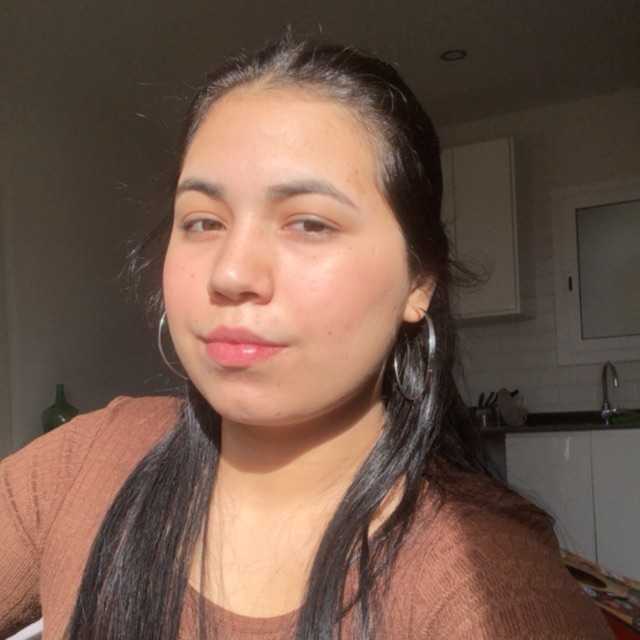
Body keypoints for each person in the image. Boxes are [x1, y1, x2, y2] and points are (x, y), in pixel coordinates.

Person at [0, 32, 614, 640]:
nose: (231, 274)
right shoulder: (84, 464)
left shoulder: (484, 585)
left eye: (310, 224)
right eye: (203, 222)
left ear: (419, 281)